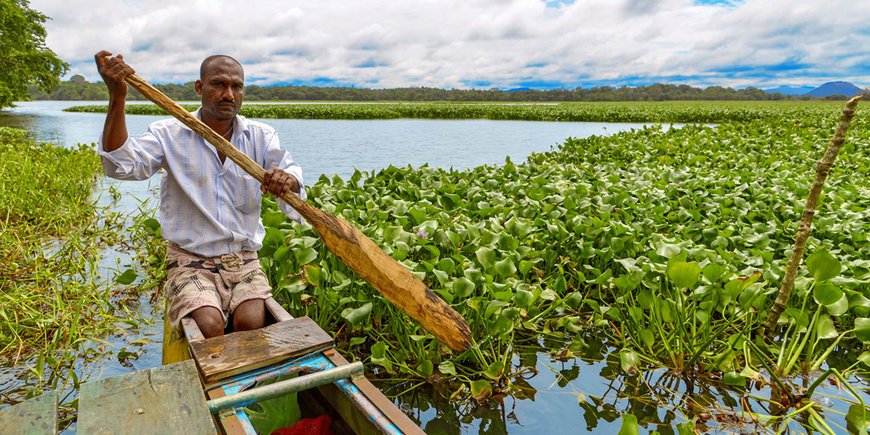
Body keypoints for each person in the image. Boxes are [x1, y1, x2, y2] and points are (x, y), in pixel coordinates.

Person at [95, 51, 305, 338]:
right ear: (199, 87)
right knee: (208, 325)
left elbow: (290, 173)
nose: (229, 94)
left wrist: (287, 179)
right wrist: (118, 97)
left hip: (242, 260)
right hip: (190, 259)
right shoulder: (168, 133)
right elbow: (120, 165)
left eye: (237, 86)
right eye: (219, 84)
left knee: (253, 321)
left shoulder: (261, 136)